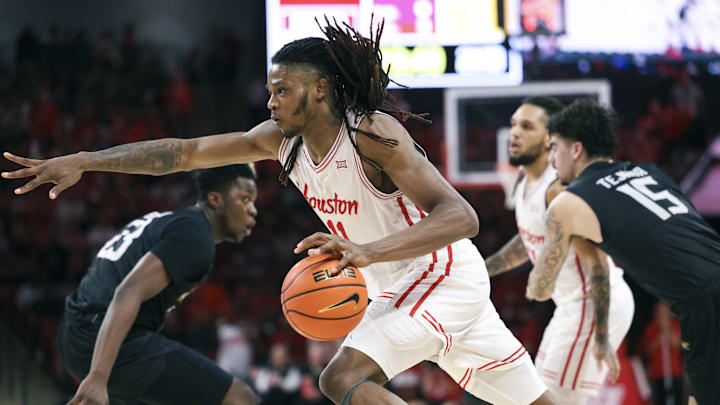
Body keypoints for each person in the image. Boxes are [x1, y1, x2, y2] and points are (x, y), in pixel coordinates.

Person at [2, 19, 555, 405]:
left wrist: (365, 251)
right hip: (399, 286)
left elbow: (462, 217)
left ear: (319, 90)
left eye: (281, 90)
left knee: (340, 377)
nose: (270, 101)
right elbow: (187, 152)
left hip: (439, 273)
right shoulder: (280, 141)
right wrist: (87, 160)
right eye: (270, 91)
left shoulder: (372, 133)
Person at [524, 98, 720, 405]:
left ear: (575, 150)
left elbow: (540, 287)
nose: (550, 159)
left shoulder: (568, 202)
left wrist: (531, 225)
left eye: (554, 148)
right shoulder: (650, 172)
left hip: (705, 302)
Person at [53, 165, 258, 405]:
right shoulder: (196, 236)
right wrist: (98, 375)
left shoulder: (170, 220)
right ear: (215, 200)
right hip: (104, 338)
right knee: (240, 398)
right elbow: (127, 291)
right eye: (245, 199)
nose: (253, 211)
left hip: (78, 330)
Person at [485, 97, 634, 404]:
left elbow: (598, 264)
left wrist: (603, 337)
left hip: (592, 301)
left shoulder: (558, 190)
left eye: (527, 126)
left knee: (555, 400)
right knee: (539, 393)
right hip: (570, 305)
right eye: (513, 124)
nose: (514, 133)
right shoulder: (526, 180)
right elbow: (529, 242)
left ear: (550, 138)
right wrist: (483, 268)